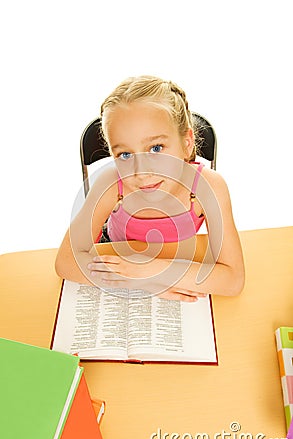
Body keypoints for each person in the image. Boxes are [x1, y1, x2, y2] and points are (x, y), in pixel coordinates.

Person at [55, 75, 245, 301]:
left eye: (156, 148)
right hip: (120, 256)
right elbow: (65, 260)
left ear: (187, 143)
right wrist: (143, 282)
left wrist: (151, 270)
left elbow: (233, 279)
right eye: (125, 155)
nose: (141, 171)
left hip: (176, 257)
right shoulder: (111, 184)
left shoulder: (209, 187)